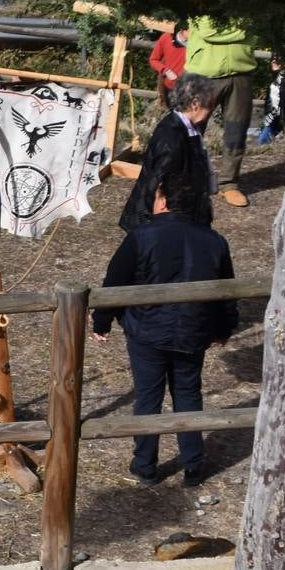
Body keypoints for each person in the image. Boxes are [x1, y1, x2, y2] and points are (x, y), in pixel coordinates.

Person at [93, 174, 237, 487]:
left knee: (148, 396)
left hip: (147, 330)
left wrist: (101, 320)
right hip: (192, 332)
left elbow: (115, 282)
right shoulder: (214, 240)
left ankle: (145, 466)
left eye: (157, 197)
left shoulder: (142, 236)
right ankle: (193, 465)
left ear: (165, 201)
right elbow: (227, 291)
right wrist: (224, 328)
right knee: (188, 393)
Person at [119, 72, 217, 233]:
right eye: (211, 103)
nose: (213, 108)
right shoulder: (172, 139)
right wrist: (159, 229)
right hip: (163, 224)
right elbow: (159, 186)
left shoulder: (188, 129)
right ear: (195, 103)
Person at [184, 13, 255, 208]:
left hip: (242, 72)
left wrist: (243, 27)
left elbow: (260, 23)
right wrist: (244, 28)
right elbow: (209, 30)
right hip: (204, 72)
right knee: (190, 128)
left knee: (237, 130)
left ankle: (229, 183)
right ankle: (183, 179)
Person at [147, 25, 187, 110]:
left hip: (191, 88)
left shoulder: (199, 42)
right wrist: (166, 71)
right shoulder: (166, 38)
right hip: (171, 88)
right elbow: (153, 60)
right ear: (183, 29)